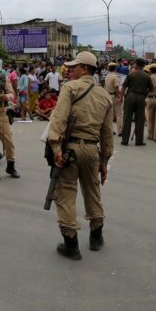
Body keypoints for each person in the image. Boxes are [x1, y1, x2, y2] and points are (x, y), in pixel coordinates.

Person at [47, 52, 114, 260]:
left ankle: (71, 245)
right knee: (92, 190)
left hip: (71, 149)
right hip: (93, 150)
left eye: (74, 67)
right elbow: (107, 133)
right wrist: (104, 161)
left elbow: (58, 119)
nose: (70, 70)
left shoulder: (70, 88)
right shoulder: (104, 95)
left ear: (84, 69)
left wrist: (56, 147)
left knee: (65, 192)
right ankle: (96, 236)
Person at [118, 58, 151, 146]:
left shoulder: (131, 74)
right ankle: (139, 141)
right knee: (139, 120)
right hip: (141, 98)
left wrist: (121, 97)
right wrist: (145, 94)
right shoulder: (147, 76)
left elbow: (124, 86)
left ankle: (125, 140)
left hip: (130, 97)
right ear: (144, 66)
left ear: (136, 64)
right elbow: (151, 88)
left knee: (127, 118)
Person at [103, 62, 122, 134]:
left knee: (110, 114)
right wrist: (119, 97)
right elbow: (117, 88)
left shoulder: (107, 76)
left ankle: (110, 130)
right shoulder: (115, 77)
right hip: (114, 95)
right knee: (119, 114)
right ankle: (120, 130)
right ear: (115, 68)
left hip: (108, 95)